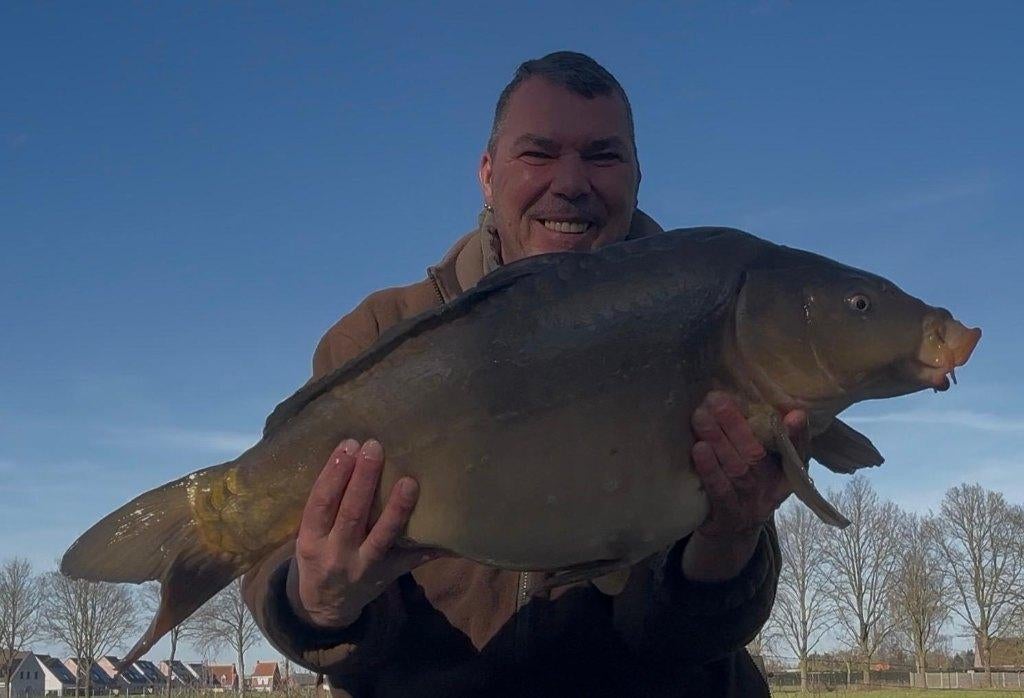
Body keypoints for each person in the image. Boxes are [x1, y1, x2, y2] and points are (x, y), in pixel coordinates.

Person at [243, 51, 804, 697]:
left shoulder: (715, 326)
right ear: (487, 174)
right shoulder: (376, 336)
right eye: (538, 154)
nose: (570, 182)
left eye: (602, 156)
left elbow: (680, 641)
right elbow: (286, 577)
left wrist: (730, 542)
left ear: (636, 176)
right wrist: (318, 601)